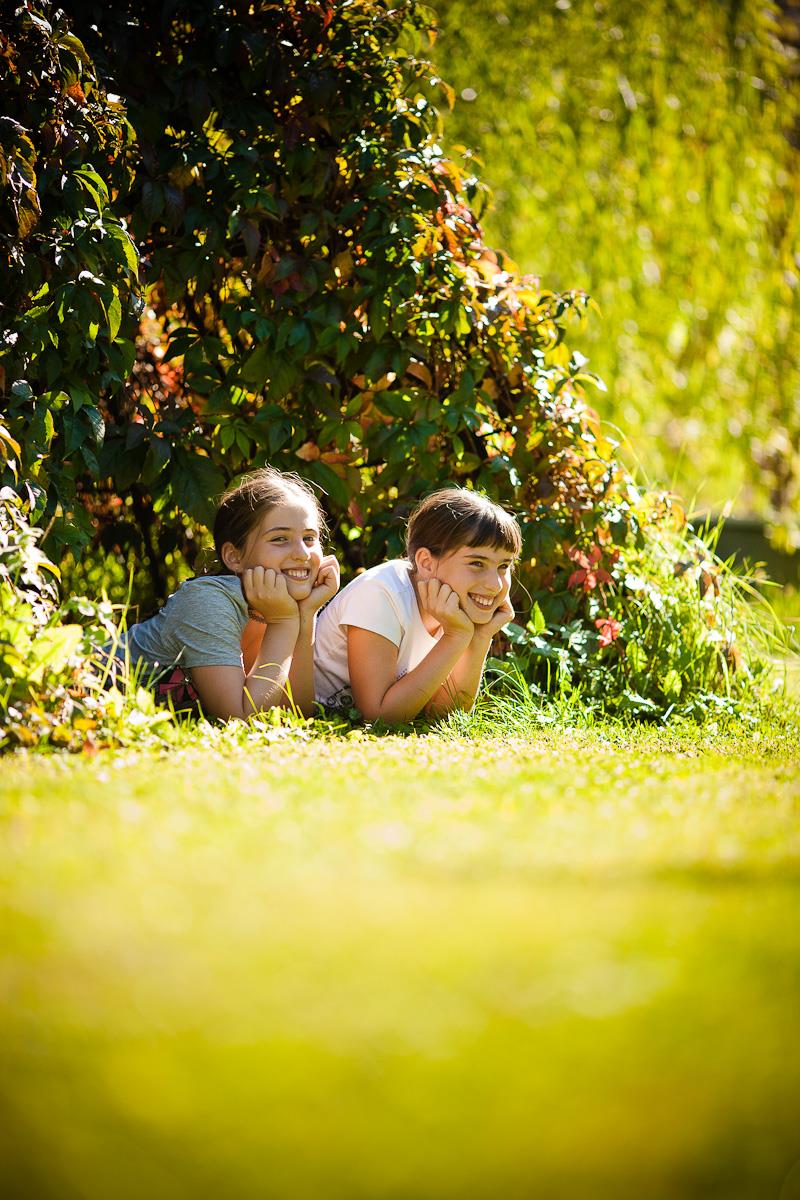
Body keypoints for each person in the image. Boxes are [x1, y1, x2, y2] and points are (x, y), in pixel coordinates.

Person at [116, 468, 339, 719]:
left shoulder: (274, 605)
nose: (302, 553)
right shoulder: (207, 601)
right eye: (279, 539)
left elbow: (296, 714)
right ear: (234, 557)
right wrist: (285, 622)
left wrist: (307, 614)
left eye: (309, 538)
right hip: (77, 686)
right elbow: (240, 719)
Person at [314, 488, 520, 723]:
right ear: (426, 562)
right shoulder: (381, 593)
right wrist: (455, 637)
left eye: (504, 566)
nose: (494, 584)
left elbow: (442, 717)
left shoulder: (452, 603)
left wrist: (480, 636)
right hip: (308, 712)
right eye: (477, 563)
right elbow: (379, 718)